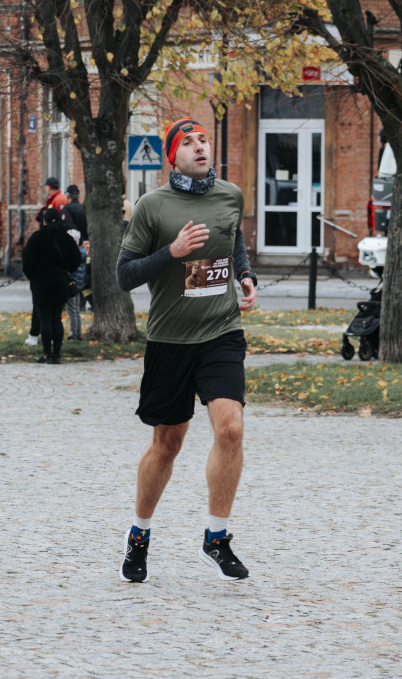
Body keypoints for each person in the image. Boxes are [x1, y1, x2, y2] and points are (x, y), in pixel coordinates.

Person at [115, 116, 258, 583]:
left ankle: (216, 537)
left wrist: (245, 276)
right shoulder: (152, 206)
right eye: (187, 142)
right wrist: (171, 253)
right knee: (167, 444)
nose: (199, 146)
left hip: (221, 332)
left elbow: (233, 238)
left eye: (203, 139)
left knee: (231, 429)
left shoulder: (230, 195)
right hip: (170, 340)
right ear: (171, 157)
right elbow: (124, 275)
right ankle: (139, 534)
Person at [21, 208, 82, 364]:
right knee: (56, 319)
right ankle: (57, 355)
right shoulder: (66, 238)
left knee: (45, 319)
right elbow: (76, 259)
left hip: (41, 283)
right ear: (60, 220)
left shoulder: (37, 238)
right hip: (60, 283)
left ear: (44, 221)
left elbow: (27, 261)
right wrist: (66, 269)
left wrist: (32, 275)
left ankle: (47, 354)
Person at [64, 228, 86, 341]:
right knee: (76, 310)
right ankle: (78, 333)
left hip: (72, 284)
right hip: (78, 284)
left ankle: (73, 333)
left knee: (72, 310)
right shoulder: (82, 251)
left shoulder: (72, 254)